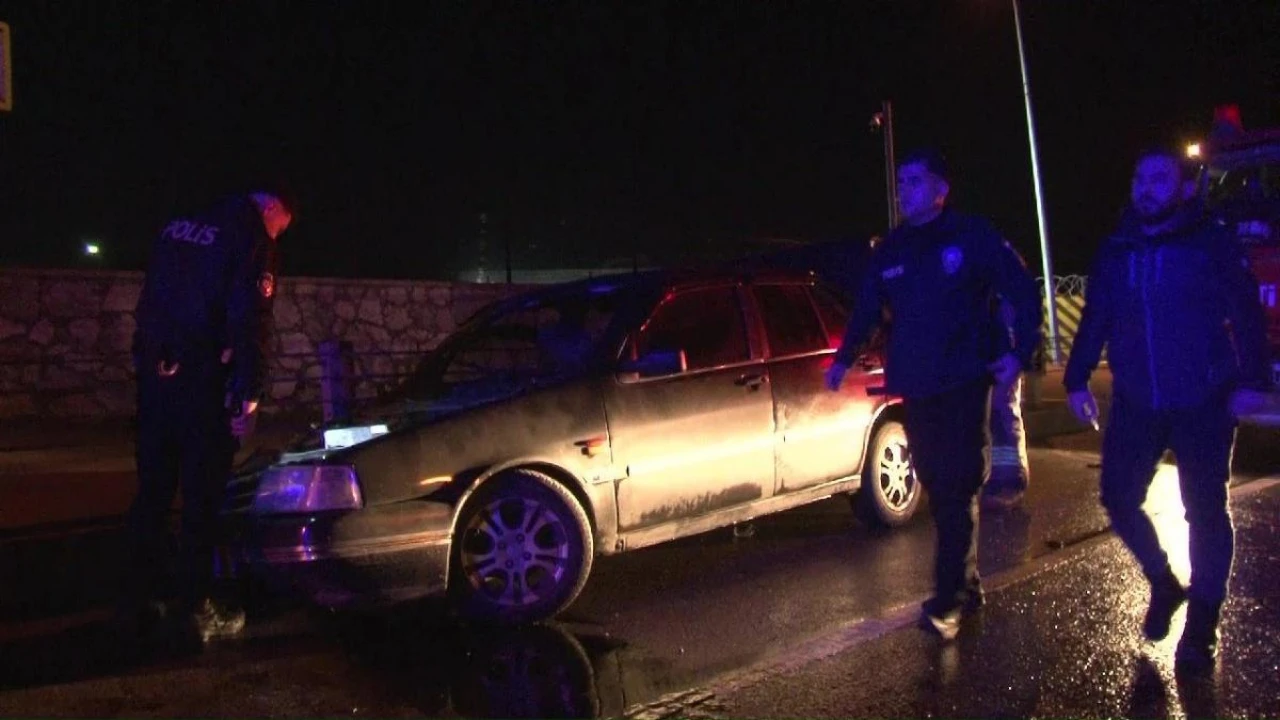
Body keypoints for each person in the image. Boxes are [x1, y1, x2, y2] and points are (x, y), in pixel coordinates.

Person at [1064, 147, 1271, 672]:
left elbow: (1246, 311)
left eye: (1159, 178)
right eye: (1140, 177)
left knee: (1204, 511)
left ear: (1182, 188)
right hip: (1137, 400)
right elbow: (1096, 316)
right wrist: (1076, 378)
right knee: (1118, 497)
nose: (1146, 186)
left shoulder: (1210, 242)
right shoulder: (1117, 248)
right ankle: (1163, 582)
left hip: (1204, 397)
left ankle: (1203, 622)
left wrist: (1253, 380)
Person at [825, 148, 1042, 640]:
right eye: (901, 181)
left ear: (941, 189)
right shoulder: (893, 249)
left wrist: (1020, 352)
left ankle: (947, 601)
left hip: (965, 379)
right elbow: (867, 307)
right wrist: (842, 358)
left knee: (956, 484)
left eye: (915, 181)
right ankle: (966, 585)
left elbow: (1021, 289)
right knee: (938, 484)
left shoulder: (971, 236)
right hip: (917, 383)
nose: (905, 189)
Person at [120, 181, 295, 646]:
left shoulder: (183, 223)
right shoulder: (250, 237)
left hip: (157, 379)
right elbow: (250, 318)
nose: (277, 236)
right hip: (204, 383)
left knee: (153, 492)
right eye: (280, 227)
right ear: (271, 207)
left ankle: (141, 598)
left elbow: (150, 300)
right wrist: (249, 393)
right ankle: (194, 609)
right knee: (202, 498)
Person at [982, 297, 1031, 509]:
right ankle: (999, 478)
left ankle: (1011, 478)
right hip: (993, 356)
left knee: (1003, 413)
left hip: (1001, 358)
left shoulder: (1003, 291)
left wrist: (1014, 357)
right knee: (996, 416)